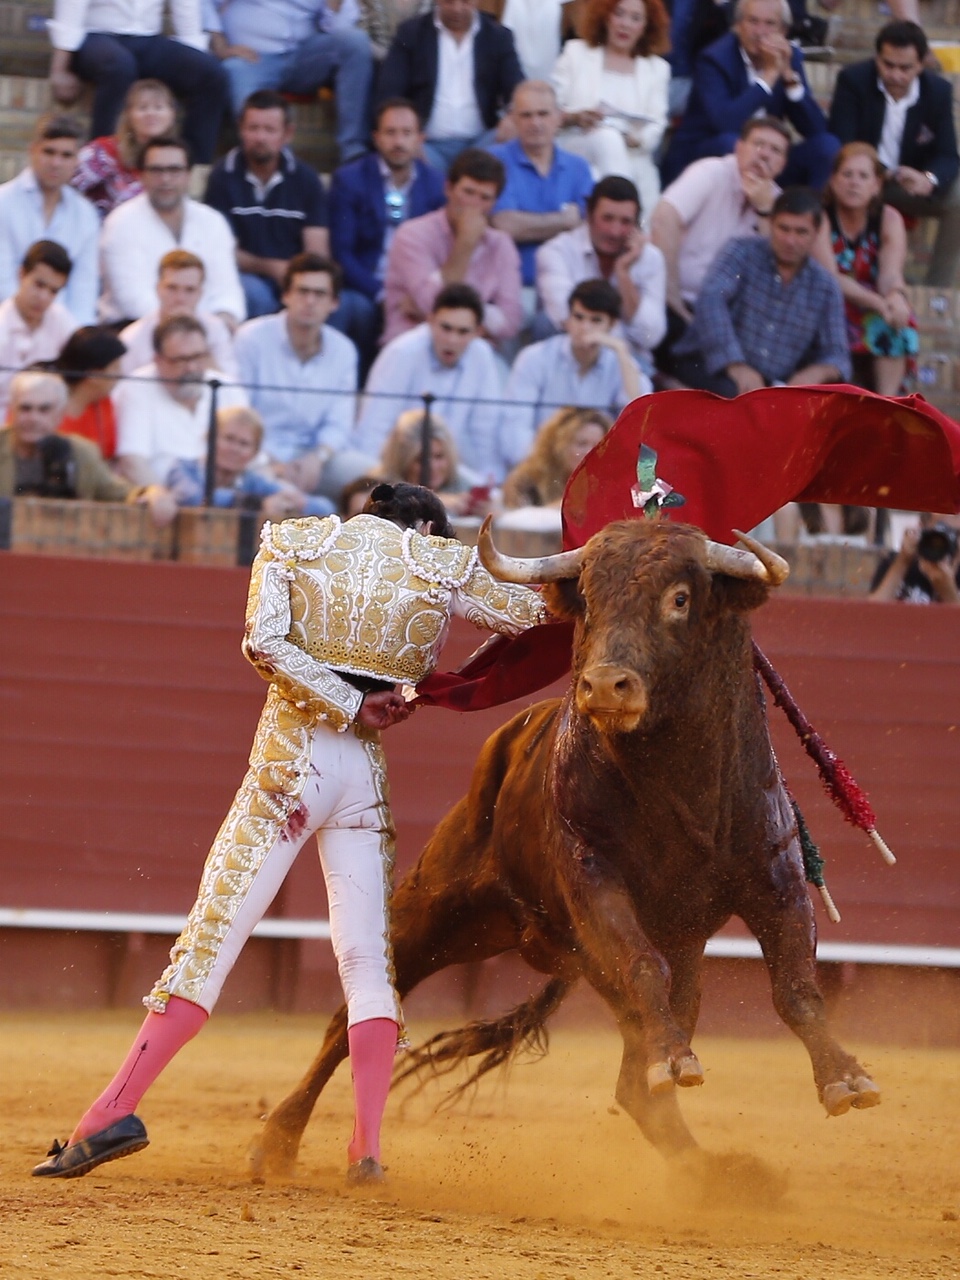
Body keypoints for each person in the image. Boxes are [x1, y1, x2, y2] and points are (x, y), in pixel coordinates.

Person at [31, 480, 547, 1185]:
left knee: (211, 939)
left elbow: (264, 643)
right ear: (427, 525)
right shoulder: (443, 561)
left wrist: (343, 701)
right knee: (369, 964)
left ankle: (109, 1113)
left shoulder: (292, 539)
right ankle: (365, 1150)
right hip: (361, 781)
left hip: (289, 767)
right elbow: (537, 614)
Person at [670, 186, 851, 395]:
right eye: (784, 229)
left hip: (772, 384)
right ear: (771, 224)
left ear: (815, 234)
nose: (790, 240)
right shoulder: (741, 251)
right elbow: (711, 300)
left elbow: (837, 353)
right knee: (735, 399)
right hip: (708, 364)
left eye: (801, 232)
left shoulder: (825, 286)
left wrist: (816, 373)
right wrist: (734, 364)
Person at [828, 21, 960, 287]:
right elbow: (843, 140)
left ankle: (938, 287)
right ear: (877, 58)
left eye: (905, 68)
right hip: (863, 177)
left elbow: (948, 154)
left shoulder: (938, 91)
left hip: (909, 185)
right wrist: (881, 172)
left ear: (921, 64)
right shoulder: (853, 80)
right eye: (888, 65)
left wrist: (929, 179)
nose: (895, 75)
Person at [649, 116, 790, 367]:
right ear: (739, 148)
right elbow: (665, 218)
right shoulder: (711, 172)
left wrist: (765, 212)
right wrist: (672, 297)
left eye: (775, 150)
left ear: (782, 165)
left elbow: (778, 273)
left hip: (727, 320)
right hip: (676, 302)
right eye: (758, 144)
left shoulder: (778, 204)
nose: (765, 155)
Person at [661, 0, 838, 189]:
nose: (760, 32)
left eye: (770, 24)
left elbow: (816, 129)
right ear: (737, 26)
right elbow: (725, 123)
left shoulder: (789, 56)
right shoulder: (714, 59)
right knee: (733, 144)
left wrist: (789, 79)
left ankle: (806, 215)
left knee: (827, 146)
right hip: (709, 157)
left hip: (765, 159)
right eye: (753, 22)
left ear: (784, 31)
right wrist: (769, 76)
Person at [328, 98, 446, 367]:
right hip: (367, 285)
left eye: (407, 133)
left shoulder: (437, 185)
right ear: (376, 137)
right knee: (351, 307)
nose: (398, 142)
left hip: (417, 287)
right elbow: (342, 252)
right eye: (390, 133)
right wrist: (382, 294)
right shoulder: (349, 180)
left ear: (420, 138)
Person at [233, 254, 360, 502]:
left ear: (334, 303)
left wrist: (317, 458)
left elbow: (339, 424)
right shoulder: (251, 338)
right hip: (255, 455)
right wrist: (268, 459)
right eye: (302, 291)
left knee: (375, 480)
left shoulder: (344, 350)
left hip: (315, 458)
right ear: (285, 296)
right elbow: (239, 410)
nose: (310, 301)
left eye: (320, 294)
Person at [46, 0, 228, 165]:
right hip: (96, 36)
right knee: (119, 67)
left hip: (147, 38)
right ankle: (101, 161)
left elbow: (185, 7)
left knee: (211, 74)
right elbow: (71, 7)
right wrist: (60, 69)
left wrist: (192, 62)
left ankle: (190, 164)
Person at [355, 283, 506, 479]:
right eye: (446, 328)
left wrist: (486, 485)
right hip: (397, 470)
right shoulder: (402, 352)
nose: (452, 339)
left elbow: (485, 434)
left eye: (463, 332)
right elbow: (373, 429)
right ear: (430, 321)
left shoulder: (482, 355)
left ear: (478, 332)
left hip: (449, 472)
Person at [204, 91, 331, 321]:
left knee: (337, 303)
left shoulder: (306, 179)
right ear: (241, 129)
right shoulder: (222, 176)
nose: (260, 137)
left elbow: (317, 251)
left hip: (295, 278)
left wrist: (297, 280)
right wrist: (273, 268)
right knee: (255, 294)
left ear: (287, 134)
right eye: (253, 128)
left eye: (269, 130)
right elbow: (222, 251)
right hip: (244, 277)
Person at [99, 135, 246, 327]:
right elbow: (133, 301)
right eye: (156, 170)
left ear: (189, 175)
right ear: (141, 175)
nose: (165, 179)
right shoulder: (121, 222)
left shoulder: (213, 221)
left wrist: (220, 322)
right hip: (134, 328)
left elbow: (227, 292)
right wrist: (191, 327)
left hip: (204, 331)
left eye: (174, 170)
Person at [204, 0, 373, 164]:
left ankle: (354, 154)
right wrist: (220, 46)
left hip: (303, 56)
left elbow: (339, 30)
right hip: (251, 59)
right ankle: (277, 163)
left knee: (355, 42)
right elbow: (206, 2)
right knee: (236, 72)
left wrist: (334, 7)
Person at [382, 148, 522, 346]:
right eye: (468, 192)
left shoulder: (501, 244)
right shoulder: (413, 234)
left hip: (474, 348)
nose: (474, 205)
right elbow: (429, 303)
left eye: (485, 198)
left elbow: (510, 321)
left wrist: (459, 310)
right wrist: (465, 243)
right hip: (414, 344)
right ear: (449, 188)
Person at [0, 370, 175, 527]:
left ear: (60, 415)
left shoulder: (80, 452)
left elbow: (118, 492)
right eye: (25, 408)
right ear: (12, 411)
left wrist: (153, 492)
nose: (33, 418)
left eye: (44, 410)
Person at [502, 278, 645, 470]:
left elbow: (640, 420)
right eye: (579, 317)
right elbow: (515, 430)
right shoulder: (534, 358)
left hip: (599, 470)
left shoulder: (622, 363)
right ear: (568, 319)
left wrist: (620, 350)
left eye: (596, 320)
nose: (585, 327)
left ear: (611, 325)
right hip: (542, 468)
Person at [811, 143, 917, 398]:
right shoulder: (820, 215)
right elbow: (830, 277)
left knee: (899, 319)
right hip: (828, 297)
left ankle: (888, 402)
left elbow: (890, 273)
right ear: (834, 181)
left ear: (876, 185)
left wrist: (894, 296)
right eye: (846, 175)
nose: (853, 183)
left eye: (863, 176)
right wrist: (878, 303)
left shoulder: (889, 218)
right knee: (879, 313)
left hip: (870, 299)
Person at [551, 0, 671, 226]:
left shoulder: (657, 69)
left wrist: (635, 139)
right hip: (579, 144)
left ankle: (626, 223)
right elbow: (551, 111)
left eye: (635, 18)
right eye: (619, 14)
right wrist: (575, 117)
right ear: (606, 16)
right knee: (607, 138)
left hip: (632, 153)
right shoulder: (575, 53)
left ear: (646, 26)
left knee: (622, 153)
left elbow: (656, 125)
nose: (625, 24)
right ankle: (628, 219)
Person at [377, 0, 524, 172]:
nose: (457, 9)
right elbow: (390, 92)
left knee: (518, 131)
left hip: (483, 143)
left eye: (465, 2)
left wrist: (512, 116)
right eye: (449, 1)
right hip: (426, 145)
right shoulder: (411, 33)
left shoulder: (498, 36)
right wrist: (407, 136)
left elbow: (517, 90)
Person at [536, 174, 666, 369]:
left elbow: (650, 337)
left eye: (625, 222)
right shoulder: (557, 251)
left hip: (627, 361)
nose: (615, 231)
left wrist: (624, 274)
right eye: (607, 218)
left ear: (636, 225)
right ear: (588, 215)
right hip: (569, 356)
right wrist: (619, 337)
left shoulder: (650, 258)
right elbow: (563, 316)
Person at [114, 314, 247, 486]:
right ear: (158, 360)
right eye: (181, 360)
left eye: (198, 357)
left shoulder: (227, 388)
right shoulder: (135, 388)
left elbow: (255, 462)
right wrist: (163, 498)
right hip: (161, 503)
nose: (191, 367)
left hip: (227, 501)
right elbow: (132, 463)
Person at [488, 81, 594, 293]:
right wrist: (564, 221)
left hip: (569, 285)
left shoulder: (578, 167)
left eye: (543, 114)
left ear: (559, 117)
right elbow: (506, 225)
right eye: (526, 115)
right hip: (514, 286)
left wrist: (528, 223)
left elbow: (587, 230)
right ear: (513, 119)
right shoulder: (494, 161)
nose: (535, 123)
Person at [0, 115, 99, 327]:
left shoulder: (85, 215)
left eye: (66, 155)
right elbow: (3, 280)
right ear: (33, 150)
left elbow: (84, 290)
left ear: (76, 161)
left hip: (61, 333)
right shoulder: (3, 202)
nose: (56, 163)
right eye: (49, 152)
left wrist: (72, 341)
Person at [166, 404, 334, 517]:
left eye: (244, 444)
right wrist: (257, 504)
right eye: (228, 439)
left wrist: (297, 501)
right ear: (210, 438)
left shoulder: (252, 482)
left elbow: (325, 509)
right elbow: (195, 498)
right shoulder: (183, 468)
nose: (234, 449)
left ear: (254, 453)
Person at [118, 250, 238, 378]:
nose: (180, 298)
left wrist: (203, 355)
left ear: (200, 293)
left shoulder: (216, 329)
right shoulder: (132, 338)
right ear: (158, 289)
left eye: (189, 290)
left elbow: (231, 386)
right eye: (172, 288)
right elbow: (125, 390)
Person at [69, 79, 177, 218]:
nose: (151, 113)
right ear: (129, 116)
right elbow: (65, 188)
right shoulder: (103, 152)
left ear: (171, 115)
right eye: (142, 108)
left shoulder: (175, 162)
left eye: (158, 107)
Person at [0, 240, 76, 418]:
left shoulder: (61, 318)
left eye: (53, 291)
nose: (43, 297)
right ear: (21, 275)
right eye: (39, 285)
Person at [502, 404, 611, 508]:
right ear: (558, 445)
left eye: (598, 446)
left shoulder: (610, 484)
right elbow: (513, 520)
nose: (590, 452)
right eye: (582, 444)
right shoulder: (525, 481)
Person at [379, 407, 482, 514]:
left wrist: (494, 514)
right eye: (421, 460)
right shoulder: (379, 489)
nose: (432, 467)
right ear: (401, 461)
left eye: (439, 456)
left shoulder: (465, 485)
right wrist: (435, 502)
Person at [56, 325, 127, 461]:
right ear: (94, 375)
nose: (120, 374)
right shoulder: (45, 407)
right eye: (115, 368)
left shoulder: (104, 404)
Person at [869, 513, 960, 604]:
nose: (941, 543)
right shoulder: (896, 562)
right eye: (939, 532)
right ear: (922, 527)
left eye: (955, 534)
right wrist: (903, 561)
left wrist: (950, 594)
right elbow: (870, 612)